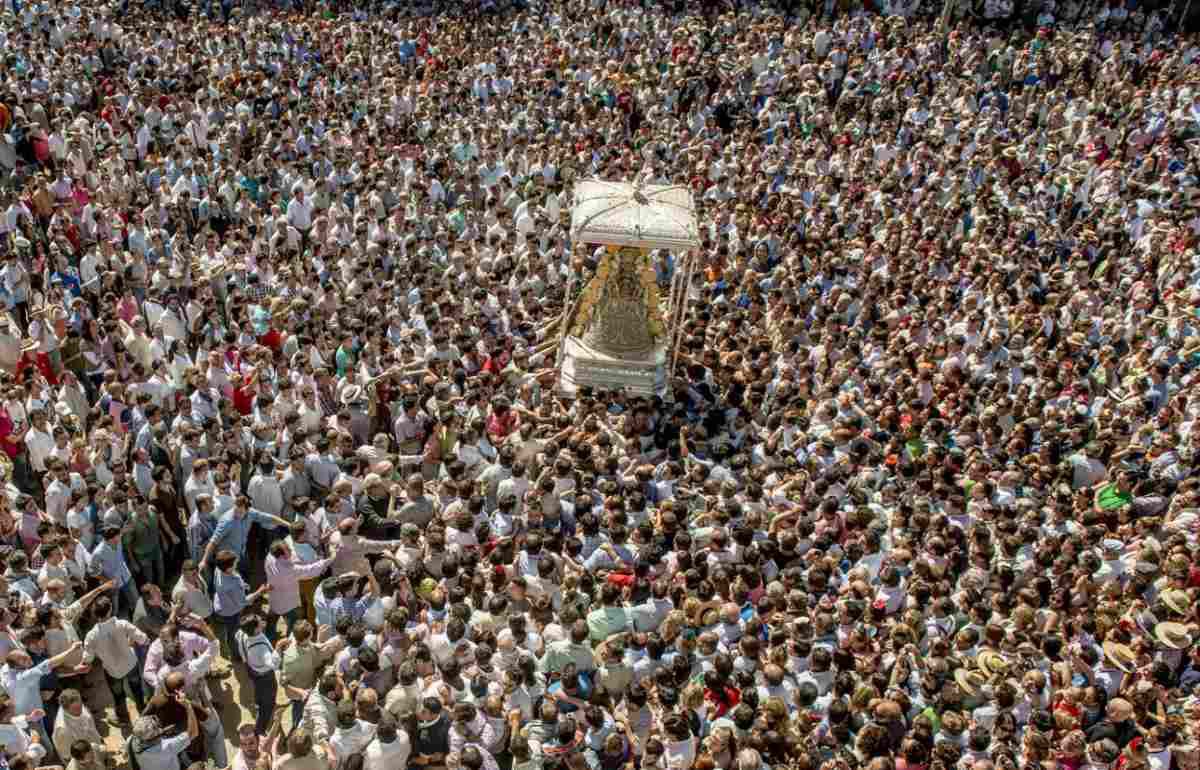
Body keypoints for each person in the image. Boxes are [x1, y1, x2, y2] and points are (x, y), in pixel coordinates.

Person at [81, 595, 147, 727]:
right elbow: (143, 638)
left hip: (113, 671)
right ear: (110, 609)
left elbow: (87, 658)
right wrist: (131, 642)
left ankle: (123, 719)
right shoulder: (122, 624)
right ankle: (144, 712)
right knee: (137, 689)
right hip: (131, 664)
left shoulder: (91, 636)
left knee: (118, 696)